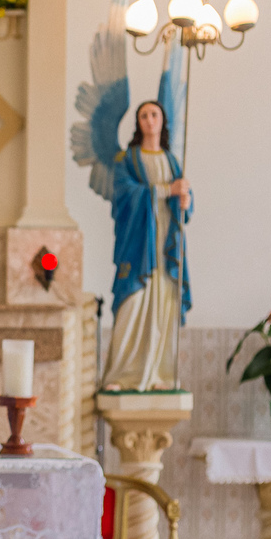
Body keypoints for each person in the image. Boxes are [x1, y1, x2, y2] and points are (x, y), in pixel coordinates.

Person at [102, 99, 193, 391]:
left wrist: (185, 200)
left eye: (154, 114)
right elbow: (124, 194)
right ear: (138, 122)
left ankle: (160, 375)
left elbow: (184, 207)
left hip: (166, 245)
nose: (150, 120)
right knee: (132, 306)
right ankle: (121, 375)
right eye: (144, 115)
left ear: (162, 120)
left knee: (164, 306)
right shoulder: (128, 159)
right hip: (139, 243)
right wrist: (166, 190)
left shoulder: (172, 160)